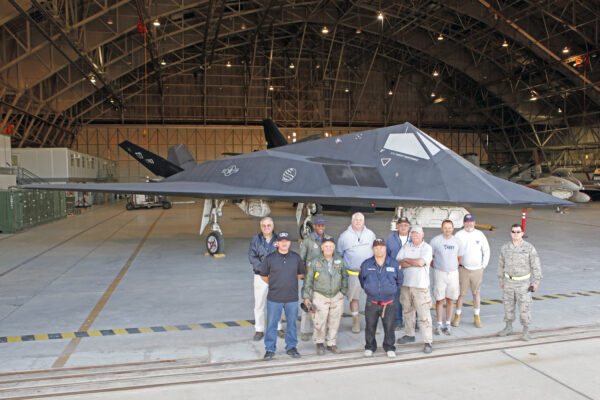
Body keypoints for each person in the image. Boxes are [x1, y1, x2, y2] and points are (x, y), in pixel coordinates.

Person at [260, 232, 305, 361]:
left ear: (290, 243)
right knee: (271, 325)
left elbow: (300, 274)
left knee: (291, 324)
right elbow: (264, 275)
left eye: (287, 241)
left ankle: (291, 347)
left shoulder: (296, 258)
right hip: (274, 298)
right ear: (277, 243)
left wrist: (288, 281)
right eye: (281, 241)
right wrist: (275, 283)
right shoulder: (270, 258)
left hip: (291, 297)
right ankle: (270, 349)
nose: (284, 243)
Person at [302, 237, 348, 355]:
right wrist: (306, 296)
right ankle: (319, 343)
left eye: (331, 246)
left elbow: (344, 276)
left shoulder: (340, 261)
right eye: (326, 246)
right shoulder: (314, 261)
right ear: (322, 248)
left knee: (335, 321)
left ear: (334, 248)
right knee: (319, 321)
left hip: (336, 295)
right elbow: (308, 280)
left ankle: (331, 343)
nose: (328, 248)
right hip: (320, 295)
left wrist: (343, 291)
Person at [497, 224, 542, 341]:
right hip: (508, 282)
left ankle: (526, 331)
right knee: (508, 306)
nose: (515, 234)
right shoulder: (505, 248)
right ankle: (508, 327)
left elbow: (536, 265)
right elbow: (501, 264)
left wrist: (536, 282)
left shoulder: (529, 248)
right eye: (513, 232)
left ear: (522, 233)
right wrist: (501, 279)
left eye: (518, 232)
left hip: (523, 284)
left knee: (524, 308)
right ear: (510, 233)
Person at [359, 238, 403, 358]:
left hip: (389, 302)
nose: (379, 250)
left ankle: (389, 347)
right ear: (373, 249)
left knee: (389, 326)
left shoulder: (394, 264)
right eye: (376, 248)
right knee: (370, 326)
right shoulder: (366, 264)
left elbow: (399, 281)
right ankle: (370, 347)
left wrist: (390, 291)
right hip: (372, 302)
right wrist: (370, 289)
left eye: (381, 247)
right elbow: (362, 281)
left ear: (385, 249)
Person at [337, 212, 376, 334]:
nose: (358, 222)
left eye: (360, 220)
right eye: (356, 220)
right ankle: (355, 322)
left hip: (370, 273)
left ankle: (372, 323)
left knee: (373, 298)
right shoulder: (344, 236)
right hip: (353, 274)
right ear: (351, 221)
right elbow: (340, 253)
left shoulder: (370, 234)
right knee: (354, 299)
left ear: (364, 221)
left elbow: (376, 250)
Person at [396, 226, 434, 354]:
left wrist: (407, 260)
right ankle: (409, 334)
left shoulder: (427, 248)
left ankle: (428, 341)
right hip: (406, 285)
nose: (415, 236)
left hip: (420, 287)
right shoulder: (406, 246)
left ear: (422, 234)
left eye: (417, 234)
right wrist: (412, 262)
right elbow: (398, 262)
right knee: (407, 311)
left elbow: (421, 263)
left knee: (424, 315)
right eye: (413, 234)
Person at [248, 217, 284, 341]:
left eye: (269, 225)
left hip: (276, 277)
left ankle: (278, 327)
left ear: (272, 226)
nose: (266, 228)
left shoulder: (279, 239)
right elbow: (252, 257)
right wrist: (264, 271)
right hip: (260, 277)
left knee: (277, 303)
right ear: (260, 226)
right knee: (259, 304)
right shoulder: (255, 240)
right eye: (264, 225)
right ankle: (259, 329)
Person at [453, 213, 490, 328]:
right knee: (461, 294)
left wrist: (483, 266)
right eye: (467, 222)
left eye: (471, 222)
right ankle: (457, 316)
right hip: (463, 269)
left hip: (477, 270)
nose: (469, 224)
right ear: (463, 223)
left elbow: (486, 250)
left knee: (476, 294)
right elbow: (454, 252)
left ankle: (477, 316)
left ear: (474, 222)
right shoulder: (458, 235)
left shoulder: (480, 234)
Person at [299, 217, 333, 341]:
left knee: (324, 306)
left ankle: (321, 329)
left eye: (322, 226)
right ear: (314, 226)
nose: (320, 228)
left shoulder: (329, 239)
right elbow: (301, 259)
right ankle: (304, 330)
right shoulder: (307, 241)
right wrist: (303, 276)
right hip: (311, 278)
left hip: (325, 280)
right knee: (307, 303)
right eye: (318, 225)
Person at [430, 220, 463, 336]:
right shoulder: (435, 241)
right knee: (439, 299)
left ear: (453, 228)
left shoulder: (457, 241)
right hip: (440, 273)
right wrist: (439, 267)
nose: (447, 230)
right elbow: (431, 257)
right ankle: (439, 324)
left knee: (450, 299)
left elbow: (460, 258)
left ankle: (447, 323)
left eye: (450, 227)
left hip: (453, 273)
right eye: (445, 227)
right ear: (442, 228)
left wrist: (452, 267)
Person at [386, 216, 412, 330]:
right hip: (395, 273)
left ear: (409, 226)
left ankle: (413, 321)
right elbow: (386, 256)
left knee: (411, 298)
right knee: (396, 298)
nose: (403, 227)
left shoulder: (414, 237)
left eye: (406, 225)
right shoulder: (390, 239)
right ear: (397, 226)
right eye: (401, 225)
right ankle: (397, 321)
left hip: (411, 273)